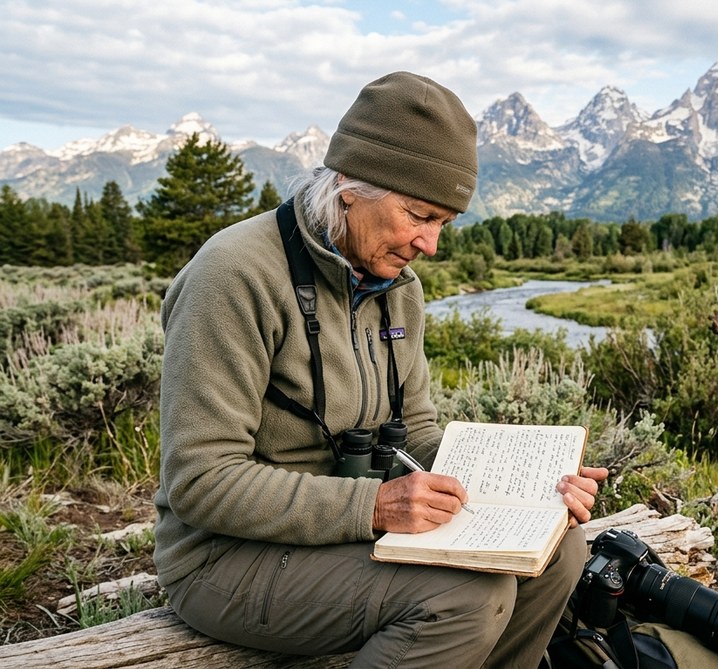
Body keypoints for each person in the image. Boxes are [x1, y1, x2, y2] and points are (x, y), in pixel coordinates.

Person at [153, 71, 608, 669]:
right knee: (465, 596)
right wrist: (371, 507)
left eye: (443, 222)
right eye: (419, 215)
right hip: (228, 557)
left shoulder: (398, 288)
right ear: (349, 188)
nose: (431, 245)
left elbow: (416, 434)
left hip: (352, 536)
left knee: (560, 550)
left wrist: (527, 487)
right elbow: (200, 481)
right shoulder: (234, 276)